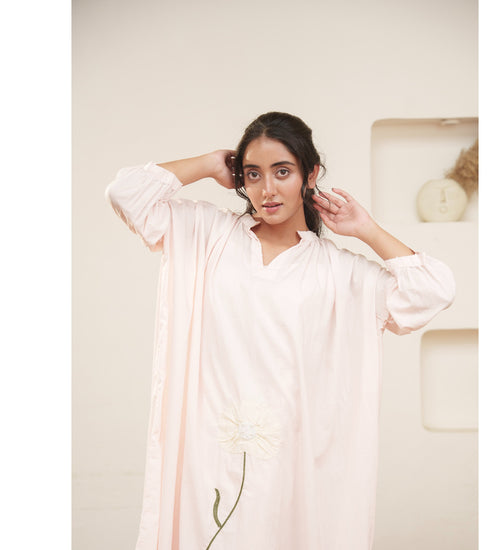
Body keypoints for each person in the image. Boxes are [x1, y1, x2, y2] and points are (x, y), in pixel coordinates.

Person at [106, 111, 455, 550]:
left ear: (311, 175)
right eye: (253, 174)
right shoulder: (206, 234)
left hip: (296, 467)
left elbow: (432, 290)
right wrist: (210, 163)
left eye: (282, 171)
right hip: (208, 456)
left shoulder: (340, 272)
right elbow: (125, 193)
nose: (267, 189)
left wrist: (365, 229)